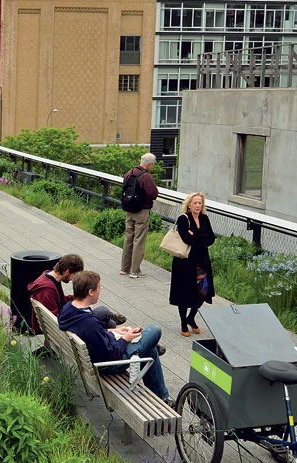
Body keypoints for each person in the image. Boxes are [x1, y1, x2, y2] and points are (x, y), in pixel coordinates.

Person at [59, 271, 171, 405]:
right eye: (99, 287)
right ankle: (162, 397)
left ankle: (161, 397)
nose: (100, 290)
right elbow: (109, 353)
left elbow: (93, 335)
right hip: (108, 365)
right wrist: (126, 339)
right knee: (154, 331)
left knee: (150, 349)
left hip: (94, 357)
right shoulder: (90, 323)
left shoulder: (70, 308)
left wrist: (113, 331)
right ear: (90, 292)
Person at [27, 254, 126, 336]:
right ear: (67, 271)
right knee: (104, 311)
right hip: (67, 328)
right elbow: (55, 321)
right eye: (75, 275)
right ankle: (108, 324)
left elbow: (60, 301)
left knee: (110, 323)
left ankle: (109, 322)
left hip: (66, 321)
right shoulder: (47, 290)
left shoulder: (49, 278)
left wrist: (80, 298)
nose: (74, 280)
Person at [170, 192, 216, 337]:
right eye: (195, 203)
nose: (197, 205)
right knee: (184, 293)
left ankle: (191, 317)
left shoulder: (204, 218)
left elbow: (211, 239)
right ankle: (184, 322)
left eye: (200, 203)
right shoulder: (183, 219)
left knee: (203, 291)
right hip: (184, 263)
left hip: (201, 261)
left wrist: (195, 236)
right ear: (189, 205)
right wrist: (201, 238)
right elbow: (186, 240)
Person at [119, 152, 159, 279]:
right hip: (141, 211)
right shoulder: (145, 176)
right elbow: (153, 194)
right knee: (139, 240)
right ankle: (135, 271)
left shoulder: (129, 173)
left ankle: (124, 269)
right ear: (150, 164)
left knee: (128, 238)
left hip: (129, 210)